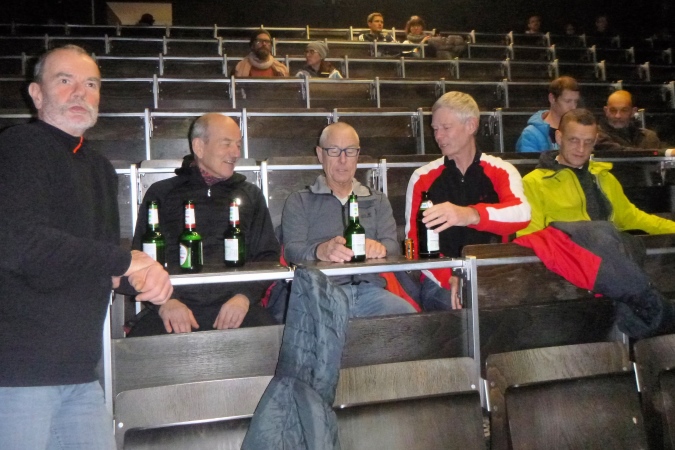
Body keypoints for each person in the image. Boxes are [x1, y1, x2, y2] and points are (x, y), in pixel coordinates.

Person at [0, 45, 172, 449]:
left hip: (79, 372)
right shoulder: (19, 146)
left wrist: (140, 281)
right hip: (18, 375)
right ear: (36, 94)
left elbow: (101, 262)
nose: (80, 92)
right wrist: (126, 261)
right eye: (65, 81)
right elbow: (20, 244)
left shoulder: (100, 167)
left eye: (91, 84)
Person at [515, 109, 675, 338]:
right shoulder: (533, 183)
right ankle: (650, 304)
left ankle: (644, 307)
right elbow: (529, 237)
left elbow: (633, 217)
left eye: (588, 142)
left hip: (610, 267)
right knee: (596, 232)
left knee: (616, 238)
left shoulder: (604, 177)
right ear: (559, 137)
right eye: (574, 140)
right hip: (569, 271)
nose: (581, 149)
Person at [128, 113, 280, 336]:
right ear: (199, 147)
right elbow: (141, 258)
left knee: (277, 342)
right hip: (173, 304)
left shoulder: (251, 195)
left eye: (238, 145)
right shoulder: (161, 193)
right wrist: (165, 303)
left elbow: (267, 256)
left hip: (237, 305)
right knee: (138, 347)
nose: (236, 153)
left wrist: (244, 297)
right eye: (226, 144)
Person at [405, 92, 531, 310]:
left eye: (446, 128)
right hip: (441, 278)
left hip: (495, 272)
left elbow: (522, 213)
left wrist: (471, 215)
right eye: (435, 129)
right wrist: (449, 275)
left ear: (471, 125)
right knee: (461, 302)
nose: (438, 136)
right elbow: (413, 244)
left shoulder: (501, 170)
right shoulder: (422, 178)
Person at [281, 122, 417, 317]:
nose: (343, 160)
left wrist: (381, 248)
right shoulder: (299, 201)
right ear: (320, 154)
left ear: (358, 155)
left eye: (350, 151)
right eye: (334, 151)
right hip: (321, 294)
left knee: (410, 318)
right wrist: (320, 251)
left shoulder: (377, 200)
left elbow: (393, 246)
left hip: (372, 293)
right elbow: (292, 251)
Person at [595, 90, 673, 154]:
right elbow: (619, 153)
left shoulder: (649, 137)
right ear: (606, 111)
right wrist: (667, 152)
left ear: (633, 111)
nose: (617, 116)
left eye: (624, 110)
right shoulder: (595, 134)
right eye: (613, 110)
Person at [516, 76, 580, 152]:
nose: (573, 107)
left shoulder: (579, 130)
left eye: (576, 101)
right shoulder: (531, 134)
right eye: (567, 101)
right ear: (552, 98)